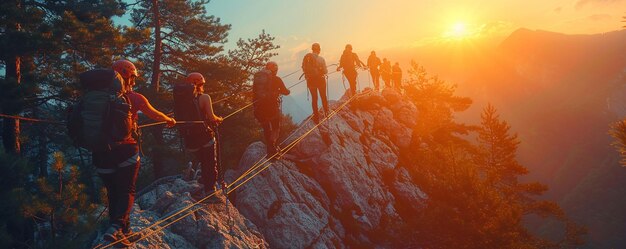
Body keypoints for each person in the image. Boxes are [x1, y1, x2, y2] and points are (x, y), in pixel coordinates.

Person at [97, 59, 176, 246]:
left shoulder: (97, 98)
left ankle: (123, 232)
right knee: (127, 190)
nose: (134, 80)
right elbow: (155, 114)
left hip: (100, 152)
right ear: (128, 76)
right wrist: (168, 120)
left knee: (113, 192)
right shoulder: (135, 97)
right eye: (132, 76)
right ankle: (116, 227)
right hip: (126, 149)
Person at [181, 72, 223, 196]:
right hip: (204, 137)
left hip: (190, 140)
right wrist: (219, 119)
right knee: (209, 162)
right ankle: (210, 190)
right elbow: (211, 117)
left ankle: (204, 179)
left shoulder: (182, 100)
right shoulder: (204, 97)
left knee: (203, 160)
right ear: (201, 83)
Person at [253, 61, 290, 157]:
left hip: (259, 108)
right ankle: (271, 147)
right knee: (275, 128)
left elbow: (254, 93)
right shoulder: (277, 79)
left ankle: (270, 148)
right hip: (272, 108)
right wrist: (287, 91)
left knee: (266, 129)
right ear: (275, 70)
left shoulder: (258, 80)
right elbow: (285, 92)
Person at [302, 43, 329, 123]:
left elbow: (304, 68)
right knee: (323, 97)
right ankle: (326, 112)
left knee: (314, 99)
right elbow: (325, 71)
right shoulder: (321, 59)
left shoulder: (307, 58)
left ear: (312, 49)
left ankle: (316, 117)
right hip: (320, 81)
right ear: (319, 50)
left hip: (310, 82)